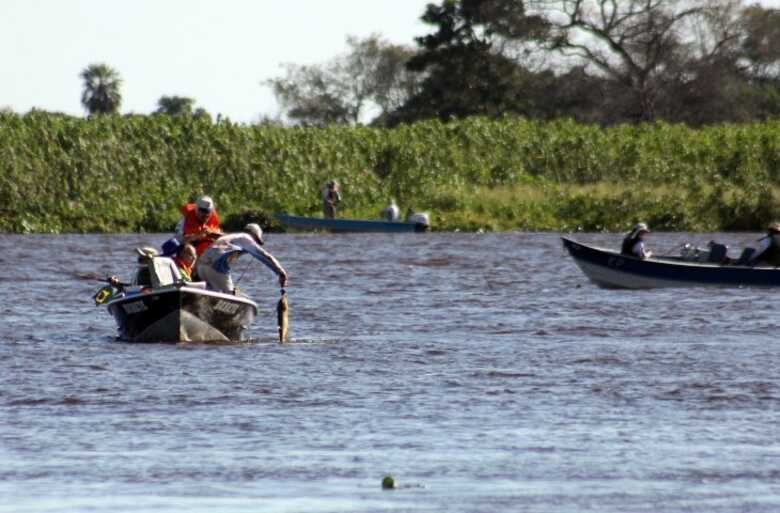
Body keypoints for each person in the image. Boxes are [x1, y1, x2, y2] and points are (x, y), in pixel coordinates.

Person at [196, 223, 288, 294]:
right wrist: (281, 272)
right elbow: (265, 256)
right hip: (216, 268)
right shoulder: (246, 238)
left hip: (201, 267)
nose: (256, 243)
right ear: (254, 235)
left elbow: (218, 236)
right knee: (231, 295)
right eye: (257, 241)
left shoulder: (231, 237)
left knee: (213, 291)